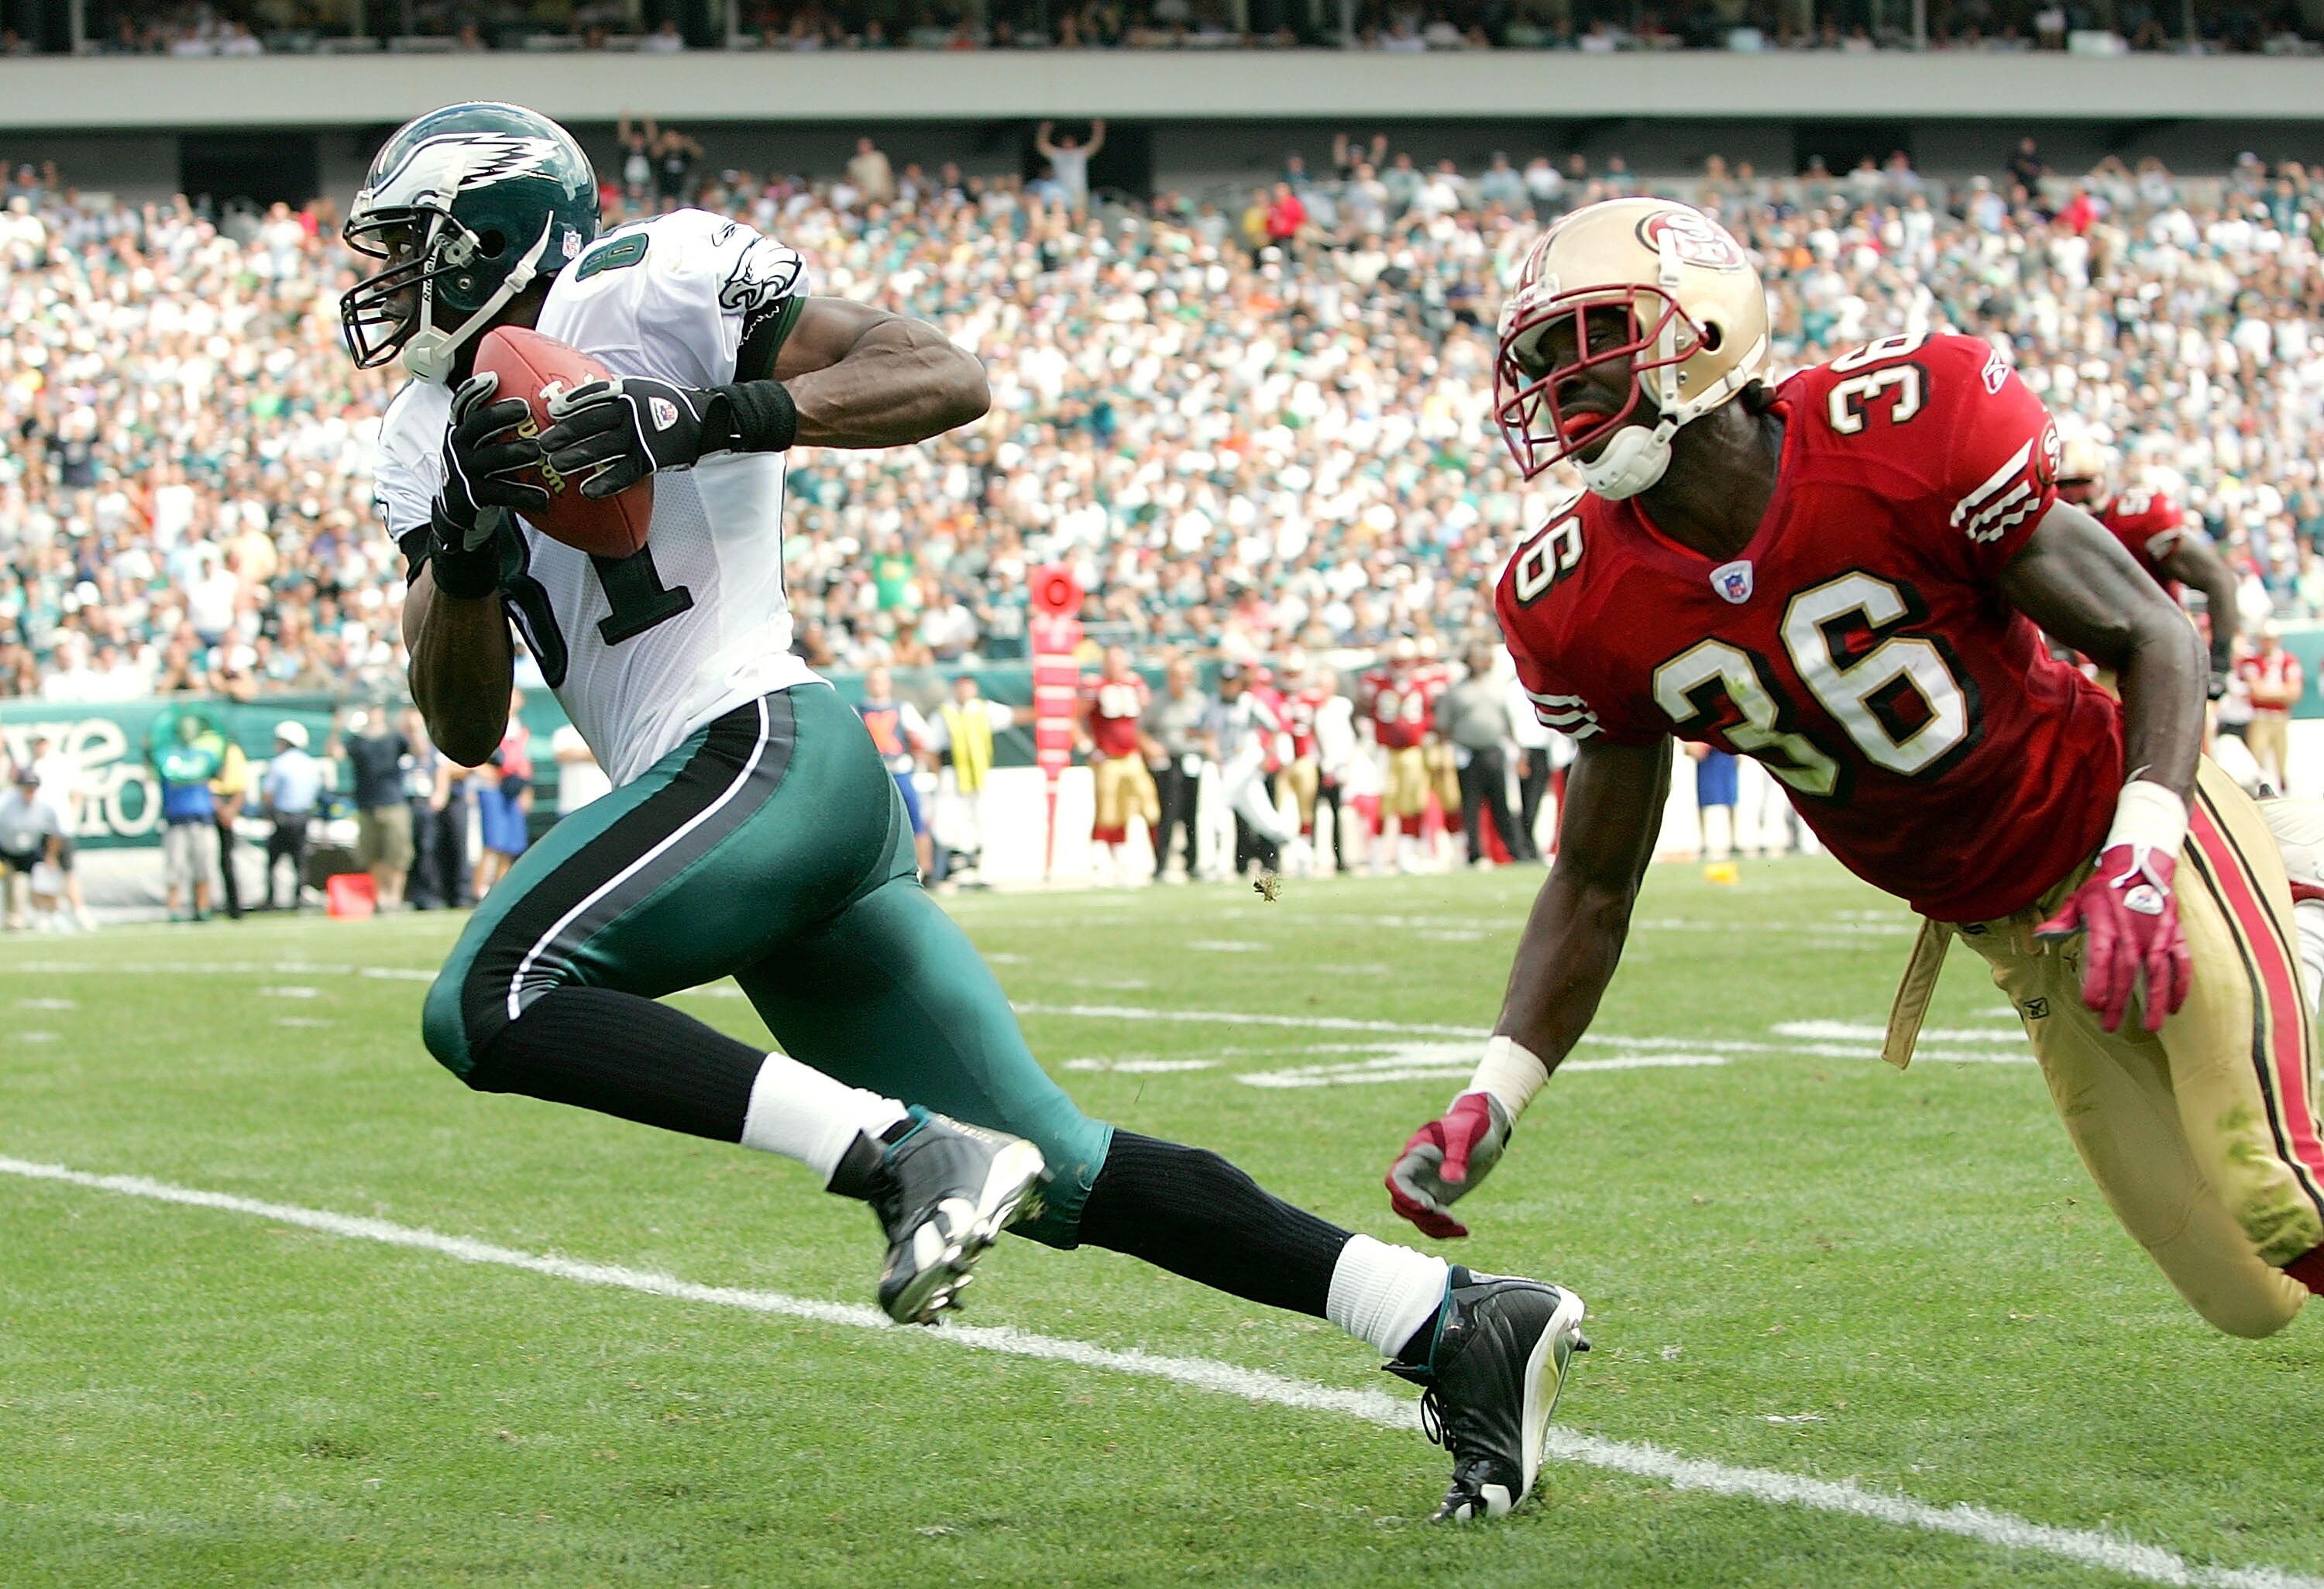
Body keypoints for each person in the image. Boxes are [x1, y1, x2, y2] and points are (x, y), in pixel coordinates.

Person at [352, 101, 1578, 1522]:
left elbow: (941, 371)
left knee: (490, 997)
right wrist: (462, 548)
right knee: (1059, 1167)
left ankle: (899, 1152)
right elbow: (463, 722)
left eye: (411, 245)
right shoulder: (421, 431)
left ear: (495, 234)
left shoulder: (645, 279)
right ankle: (1449, 1317)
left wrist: (706, 415)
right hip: (736, 805)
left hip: (763, 743)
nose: (386, 280)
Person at [1390, 194, 2324, 1350]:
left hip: (2138, 839)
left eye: (1587, 345)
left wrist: (2141, 849)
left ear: (1702, 325)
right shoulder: (1579, 599)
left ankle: (2283, 898)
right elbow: (1592, 882)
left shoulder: (1901, 426)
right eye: (1537, 363)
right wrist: (1496, 1089)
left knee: (2280, 1194)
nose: (1559, 389)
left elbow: (2154, 633)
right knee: (2250, 1296)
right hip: (2012, 932)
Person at [2054, 438, 2240, 700]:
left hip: (2163, 661)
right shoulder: (2052, 533)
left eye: (2079, 482)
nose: (2070, 494)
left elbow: (2219, 579)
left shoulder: (2135, 518)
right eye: (2061, 485)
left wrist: (2220, 664)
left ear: (2103, 480)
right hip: (2108, 669)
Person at [1205, 662, 1295, 879]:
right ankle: (1302, 852)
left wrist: (1268, 754)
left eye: (1232, 682)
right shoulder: (1212, 704)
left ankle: (1217, 863)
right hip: (1227, 764)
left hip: (1246, 761)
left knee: (1218, 805)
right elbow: (1200, 730)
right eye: (1225, 682)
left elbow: (1274, 727)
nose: (1228, 686)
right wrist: (1212, 750)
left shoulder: (1249, 703)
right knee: (1264, 819)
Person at [925, 671, 1012, 886]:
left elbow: (1012, 716)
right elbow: (932, 748)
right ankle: (954, 869)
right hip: (953, 774)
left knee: (978, 821)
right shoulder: (944, 714)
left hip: (977, 776)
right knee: (952, 821)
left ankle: (975, 868)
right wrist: (938, 775)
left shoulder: (982, 710)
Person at [1437, 645, 1521, 868]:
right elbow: (1444, 725)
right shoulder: (1456, 691)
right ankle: (1475, 853)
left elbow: (1506, 719)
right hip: (1468, 753)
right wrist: (1448, 752)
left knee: (1501, 803)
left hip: (1493, 750)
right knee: (1471, 806)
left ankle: (1514, 850)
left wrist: (1517, 747)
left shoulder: (1496, 686)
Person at [1081, 646, 1157, 886]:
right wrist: (1087, 746)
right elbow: (1076, 716)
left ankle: (1137, 859)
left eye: (1119, 660)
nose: (1115, 666)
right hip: (1108, 758)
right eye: (1111, 661)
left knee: (1146, 807)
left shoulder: (1135, 684)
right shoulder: (1095, 687)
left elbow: (1148, 711)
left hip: (1133, 756)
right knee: (1107, 811)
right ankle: (1100, 862)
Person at [856, 665, 933, 881]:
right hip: (876, 775)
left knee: (916, 819)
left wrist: (919, 758)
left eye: (882, 681)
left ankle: (926, 871)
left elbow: (924, 737)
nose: (878, 685)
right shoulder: (858, 709)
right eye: (874, 681)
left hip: (901, 770)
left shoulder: (902, 708)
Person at [337, 709, 412, 910]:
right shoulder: (357, 741)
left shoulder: (394, 738)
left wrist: (413, 728)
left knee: (397, 855)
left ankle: (394, 898)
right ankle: (381, 898)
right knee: (373, 855)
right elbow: (335, 754)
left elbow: (418, 751)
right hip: (367, 805)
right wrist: (336, 729)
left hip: (393, 803)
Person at [152, 712, 222, 923]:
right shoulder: (168, 757)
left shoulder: (205, 756)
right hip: (177, 820)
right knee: (175, 868)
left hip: (202, 819)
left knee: (204, 867)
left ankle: (203, 907)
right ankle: (174, 909)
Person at [1146, 657, 1208, 882]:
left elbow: (1210, 730)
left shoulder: (1199, 701)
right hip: (1167, 763)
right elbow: (1142, 729)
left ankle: (1192, 863)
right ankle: (1161, 864)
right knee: (1168, 814)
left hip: (1192, 759)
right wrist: (1151, 746)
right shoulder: (1158, 701)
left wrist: (1203, 741)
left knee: (1191, 814)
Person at [26, 734, 95, 929]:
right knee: (42, 871)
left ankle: (79, 911)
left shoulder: (62, 763)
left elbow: (77, 791)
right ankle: (47, 913)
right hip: (40, 827)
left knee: (68, 870)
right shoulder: (31, 766)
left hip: (62, 825)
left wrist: (72, 817)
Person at [473, 687, 533, 897]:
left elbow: (524, 763)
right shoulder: (489, 725)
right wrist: (484, 771)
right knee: (493, 841)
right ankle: (479, 890)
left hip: (512, 788)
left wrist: (525, 790)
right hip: (492, 788)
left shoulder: (520, 729)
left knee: (510, 844)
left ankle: (500, 890)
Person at [259, 721, 323, 911]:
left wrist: (267, 813)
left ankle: (271, 899)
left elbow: (268, 794)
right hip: (303, 817)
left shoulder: (279, 764)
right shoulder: (310, 764)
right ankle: (298, 898)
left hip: (283, 817)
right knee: (300, 860)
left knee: (273, 861)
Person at [2240, 625, 2303, 793]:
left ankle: (2283, 789)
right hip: (2260, 717)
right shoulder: (2252, 662)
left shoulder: (2288, 661)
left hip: (2280, 717)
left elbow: (2295, 692)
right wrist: (2282, 693)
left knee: (2282, 761)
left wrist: (2266, 693)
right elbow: (2257, 692)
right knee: (2257, 759)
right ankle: (2259, 791)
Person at [0, 765, 64, 930]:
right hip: (6, 850)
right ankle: (13, 918)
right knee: (12, 883)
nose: (30, 791)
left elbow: (56, 832)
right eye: (27, 787)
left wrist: (51, 856)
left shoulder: (45, 807)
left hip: (32, 850)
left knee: (43, 879)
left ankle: (47, 914)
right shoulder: (5, 803)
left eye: (33, 787)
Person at [209, 727, 250, 920]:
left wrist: (228, 811)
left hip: (224, 805)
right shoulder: (213, 752)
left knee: (226, 860)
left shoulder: (231, 753)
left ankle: (234, 906)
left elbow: (240, 787)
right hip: (216, 806)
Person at [1034, 119, 1103, 212]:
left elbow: (1095, 144)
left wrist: (1098, 129)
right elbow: (1042, 146)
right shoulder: (1058, 154)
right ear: (1062, 144)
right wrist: (1044, 130)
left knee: (1079, 214)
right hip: (1061, 192)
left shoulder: (1080, 153)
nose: (1068, 145)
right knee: (1061, 214)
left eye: (1070, 143)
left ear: (1074, 144)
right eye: (1066, 143)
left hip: (1079, 191)